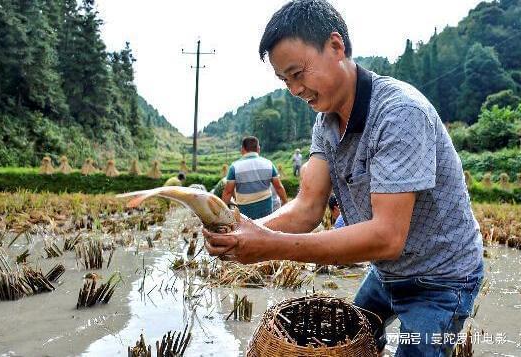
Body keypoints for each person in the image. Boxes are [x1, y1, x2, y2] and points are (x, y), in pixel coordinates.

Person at [204, 1, 484, 356]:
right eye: (284, 80)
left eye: (297, 73)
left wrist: (268, 244)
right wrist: (245, 230)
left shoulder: (400, 114)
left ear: (336, 47)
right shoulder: (325, 122)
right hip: (388, 272)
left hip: (441, 277)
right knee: (354, 342)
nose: (294, 89)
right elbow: (307, 207)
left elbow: (386, 237)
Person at [222, 136, 288, 219]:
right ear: (258, 149)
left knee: (249, 230)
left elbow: (228, 192)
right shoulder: (268, 164)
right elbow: (278, 187)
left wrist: (222, 212)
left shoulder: (234, 167)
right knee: (264, 229)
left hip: (245, 211)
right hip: (266, 208)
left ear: (242, 149)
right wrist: (285, 202)